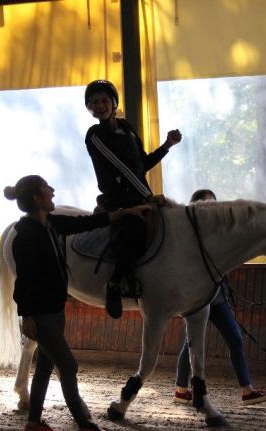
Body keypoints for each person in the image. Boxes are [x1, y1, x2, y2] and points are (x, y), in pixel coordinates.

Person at [5, 174, 150, 431]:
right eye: (46, 188)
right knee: (68, 365)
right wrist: (26, 316)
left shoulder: (51, 224)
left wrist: (126, 212)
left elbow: (89, 222)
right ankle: (83, 422)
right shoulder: (25, 235)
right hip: (40, 314)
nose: (52, 190)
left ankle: (33, 422)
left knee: (45, 365)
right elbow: (23, 282)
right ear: (38, 198)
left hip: (55, 309)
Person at [83, 79, 182, 319]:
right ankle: (115, 285)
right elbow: (122, 169)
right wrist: (148, 197)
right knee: (133, 229)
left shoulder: (127, 128)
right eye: (94, 102)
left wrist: (167, 146)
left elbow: (141, 164)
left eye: (104, 100)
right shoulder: (95, 135)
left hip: (139, 194)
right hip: (119, 199)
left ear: (114, 103)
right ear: (90, 108)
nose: (100, 105)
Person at [173, 189, 266, 407]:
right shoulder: (187, 234)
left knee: (235, 338)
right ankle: (181, 388)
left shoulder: (219, 233)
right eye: (206, 205)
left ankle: (246, 390)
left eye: (213, 204)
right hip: (197, 296)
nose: (212, 209)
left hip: (217, 296)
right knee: (192, 343)